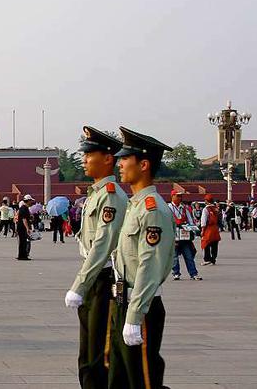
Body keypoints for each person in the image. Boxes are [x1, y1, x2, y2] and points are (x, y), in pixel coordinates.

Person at [106, 126, 175, 389]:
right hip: (121, 301)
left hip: (140, 306)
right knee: (118, 379)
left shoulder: (152, 209)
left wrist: (134, 316)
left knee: (142, 381)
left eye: (125, 159)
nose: (120, 164)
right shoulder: (134, 205)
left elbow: (150, 266)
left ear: (143, 164)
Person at [62, 126, 128, 389]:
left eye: (89, 155)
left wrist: (79, 285)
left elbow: (102, 244)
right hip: (94, 279)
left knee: (99, 352)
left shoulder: (111, 195)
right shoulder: (97, 194)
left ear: (108, 158)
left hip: (105, 280)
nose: (84, 160)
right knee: (87, 352)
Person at [168, 191, 201, 281]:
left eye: (180, 196)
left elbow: (190, 221)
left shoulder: (184, 208)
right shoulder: (168, 208)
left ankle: (193, 273)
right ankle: (176, 273)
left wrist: (193, 230)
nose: (180, 198)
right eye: (178, 196)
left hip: (184, 236)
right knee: (174, 257)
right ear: (172, 196)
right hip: (173, 236)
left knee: (189, 256)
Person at [200, 194, 221, 266]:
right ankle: (213, 259)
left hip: (208, 228)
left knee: (206, 243)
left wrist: (202, 230)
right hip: (215, 228)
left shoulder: (206, 209)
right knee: (215, 244)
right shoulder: (216, 208)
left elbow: (203, 220)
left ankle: (207, 259)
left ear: (206, 201)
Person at [16, 195, 35, 260]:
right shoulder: (24, 208)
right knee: (23, 242)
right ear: (28, 201)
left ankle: (21, 256)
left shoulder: (24, 208)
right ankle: (23, 256)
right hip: (22, 227)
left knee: (22, 242)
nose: (31, 202)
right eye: (31, 201)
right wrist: (27, 228)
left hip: (21, 227)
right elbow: (24, 219)